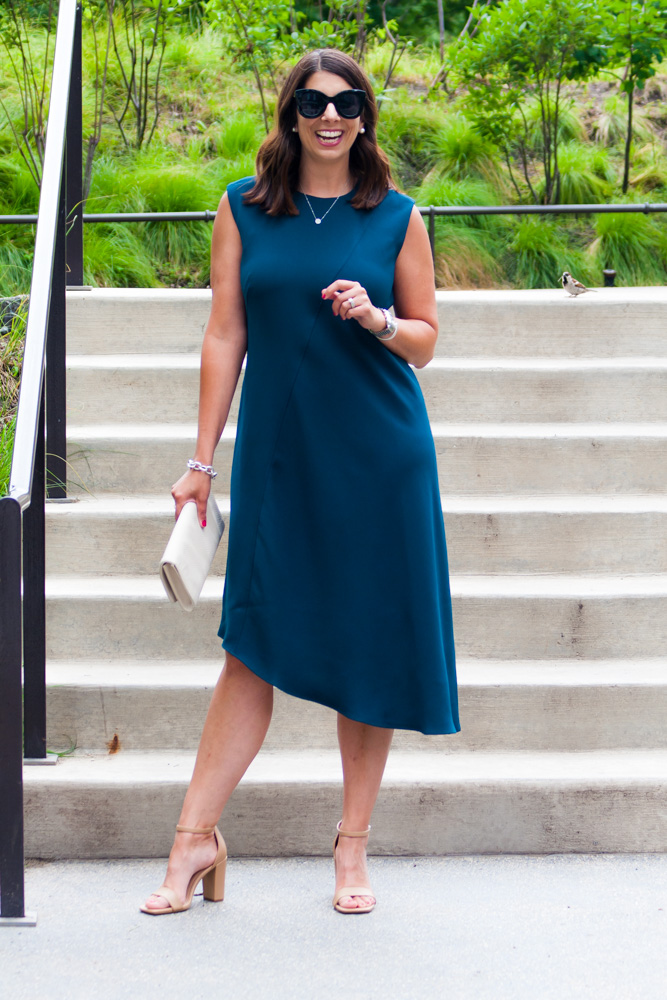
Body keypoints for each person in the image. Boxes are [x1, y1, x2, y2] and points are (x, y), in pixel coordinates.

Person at [141, 47, 460, 917]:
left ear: (365, 116)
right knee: (250, 650)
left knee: (371, 647)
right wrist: (201, 462)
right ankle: (193, 839)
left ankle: (351, 847)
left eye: (347, 101)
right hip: (282, 460)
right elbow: (223, 336)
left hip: (380, 457)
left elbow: (426, 336)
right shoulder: (244, 209)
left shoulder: (396, 216)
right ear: (289, 113)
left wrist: (379, 317)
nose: (330, 115)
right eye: (313, 101)